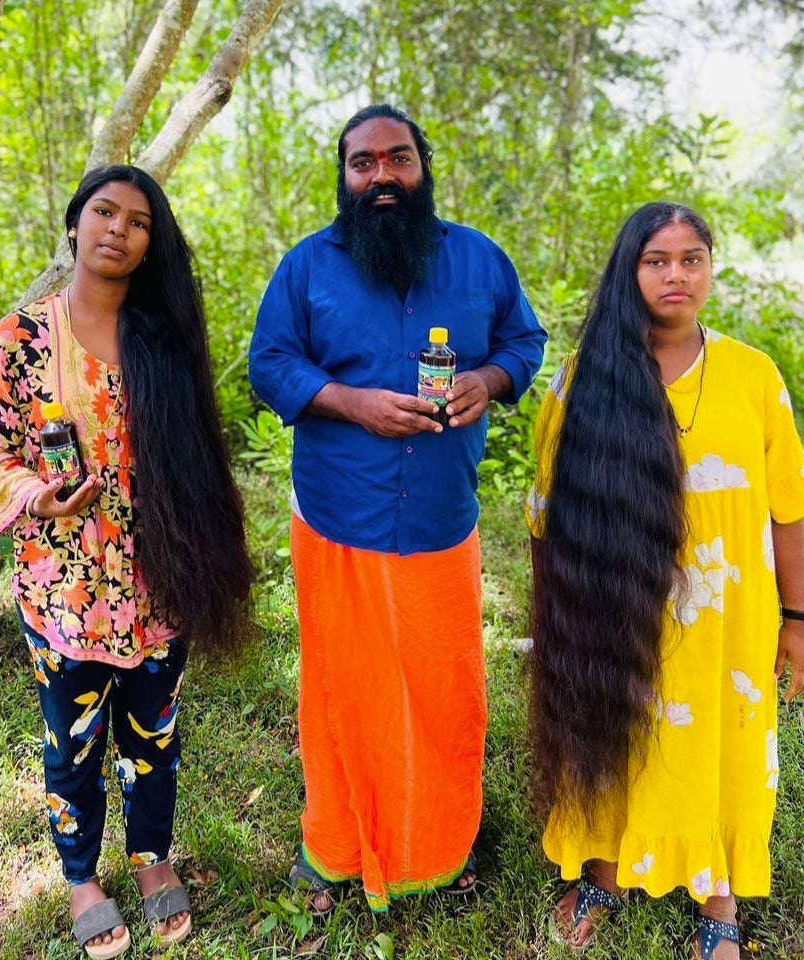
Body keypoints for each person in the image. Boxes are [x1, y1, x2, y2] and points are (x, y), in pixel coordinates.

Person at [248, 104, 547, 913]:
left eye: (398, 158)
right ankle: (337, 846)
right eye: (364, 163)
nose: (382, 175)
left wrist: (487, 382)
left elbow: (525, 343)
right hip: (338, 521)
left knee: (443, 691)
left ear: (423, 165)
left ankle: (441, 845)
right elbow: (269, 362)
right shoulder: (307, 268)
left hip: (441, 523)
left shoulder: (481, 261)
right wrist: (349, 403)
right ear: (344, 177)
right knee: (342, 691)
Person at [0, 164, 252, 958]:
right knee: (74, 740)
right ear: (75, 223)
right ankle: (82, 876)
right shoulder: (21, 336)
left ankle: (153, 861)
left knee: (154, 733)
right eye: (104, 212)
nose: (118, 229)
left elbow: (197, 455)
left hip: (163, 578)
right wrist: (34, 495)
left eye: (138, 221)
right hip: (64, 587)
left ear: (151, 243)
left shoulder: (163, 334)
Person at [526, 202, 804, 958]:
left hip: (729, 620)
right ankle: (603, 875)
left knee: (726, 746)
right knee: (613, 730)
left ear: (711, 268)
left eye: (692, 258)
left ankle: (720, 901)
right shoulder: (584, 377)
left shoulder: (755, 376)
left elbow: (789, 509)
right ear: (630, 270)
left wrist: (799, 620)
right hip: (614, 606)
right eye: (657, 260)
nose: (676, 274)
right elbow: (546, 513)